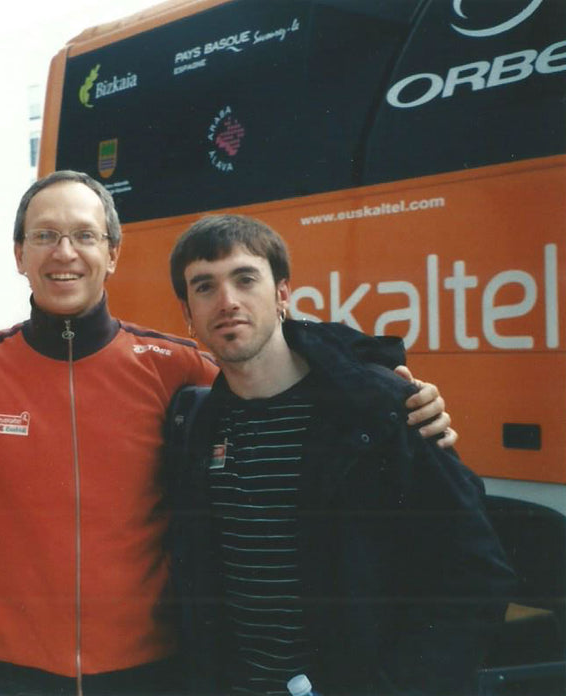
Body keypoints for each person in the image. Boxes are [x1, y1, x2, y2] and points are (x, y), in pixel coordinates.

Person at [0, 171, 453, 696]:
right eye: (45, 236)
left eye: (83, 236)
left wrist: (391, 388)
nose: (64, 252)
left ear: (111, 254)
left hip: (149, 673)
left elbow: (279, 370)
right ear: (20, 256)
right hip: (4, 676)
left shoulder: (177, 369)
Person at [165, 214, 515, 696]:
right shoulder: (199, 425)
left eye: (245, 279)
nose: (227, 301)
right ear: (188, 313)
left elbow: (476, 572)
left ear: (282, 293)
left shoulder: (380, 408)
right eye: (205, 287)